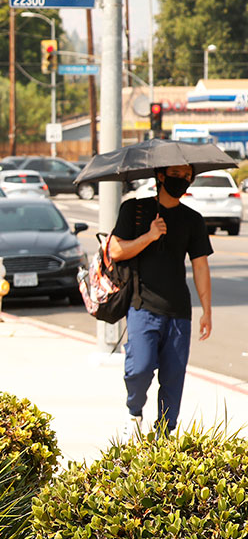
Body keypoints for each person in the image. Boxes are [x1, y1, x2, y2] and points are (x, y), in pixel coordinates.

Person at [108, 164, 213, 437]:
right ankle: (134, 412)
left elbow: (200, 266)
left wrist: (207, 310)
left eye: (188, 176)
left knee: (173, 379)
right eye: (177, 174)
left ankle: (164, 435)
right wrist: (150, 235)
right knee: (139, 369)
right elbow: (116, 250)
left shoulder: (193, 219)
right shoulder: (135, 209)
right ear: (161, 176)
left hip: (179, 311)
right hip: (142, 306)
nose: (183, 180)